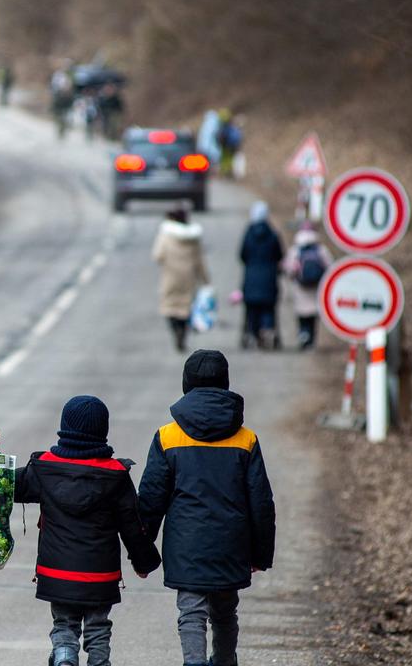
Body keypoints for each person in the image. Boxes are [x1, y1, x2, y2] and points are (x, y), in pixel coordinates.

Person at [137, 350, 277, 666]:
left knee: (191, 610)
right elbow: (261, 502)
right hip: (232, 543)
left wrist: (142, 554)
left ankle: (194, 662)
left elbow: (150, 499)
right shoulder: (246, 440)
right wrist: (259, 554)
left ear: (186, 384)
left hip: (186, 544)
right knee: (226, 611)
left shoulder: (167, 436)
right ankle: (226, 661)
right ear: (225, 383)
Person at [15, 395, 162, 666]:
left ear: (64, 428)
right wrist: (145, 561)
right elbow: (132, 524)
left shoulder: (44, 468)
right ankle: (98, 661)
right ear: (102, 431)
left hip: (56, 572)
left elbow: (8, 486)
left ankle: (64, 657)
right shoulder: (116, 474)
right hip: (100, 575)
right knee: (98, 627)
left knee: (64, 624)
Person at [152, 207, 210, 352]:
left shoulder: (165, 236)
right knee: (186, 308)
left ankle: (175, 331)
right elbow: (199, 260)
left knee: (170, 307)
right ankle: (183, 334)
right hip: (189, 278)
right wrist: (206, 280)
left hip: (171, 277)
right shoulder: (193, 238)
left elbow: (157, 256)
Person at [239, 201, 285, 350]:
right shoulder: (272, 234)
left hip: (251, 279)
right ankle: (268, 330)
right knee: (268, 309)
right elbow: (280, 255)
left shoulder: (248, 234)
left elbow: (242, 255)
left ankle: (252, 334)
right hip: (269, 279)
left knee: (252, 310)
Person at [282, 224, 331, 350]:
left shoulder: (296, 250)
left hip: (300, 288)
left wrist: (292, 276)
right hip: (316, 288)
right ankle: (311, 340)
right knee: (313, 315)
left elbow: (289, 269)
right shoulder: (320, 249)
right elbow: (329, 267)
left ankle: (303, 334)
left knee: (302, 314)